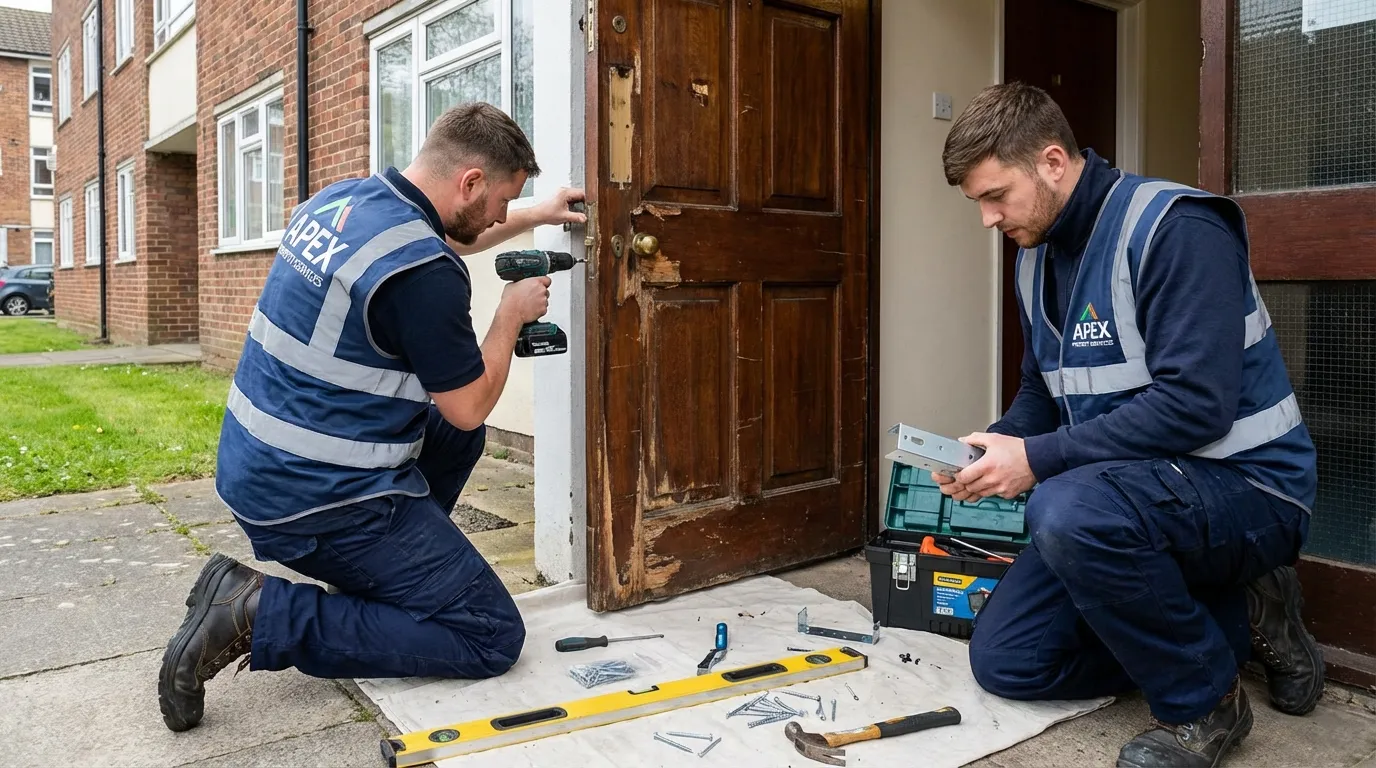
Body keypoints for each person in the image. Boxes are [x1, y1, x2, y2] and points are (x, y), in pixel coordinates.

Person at [158, 102, 585, 732]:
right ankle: (256, 612)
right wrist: (509, 316)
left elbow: (451, 231)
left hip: (261, 466)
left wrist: (539, 211)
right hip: (319, 499)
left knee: (450, 437)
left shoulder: (346, 202)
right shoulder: (426, 275)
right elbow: (468, 405)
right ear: (468, 181)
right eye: (500, 201)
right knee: (489, 634)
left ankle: (390, 582)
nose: (500, 217)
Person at [935, 83, 1324, 768]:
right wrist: (996, 444)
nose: (987, 220)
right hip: (1136, 495)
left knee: (1065, 509)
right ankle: (1227, 629)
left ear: (1052, 161)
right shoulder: (1037, 253)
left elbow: (1195, 406)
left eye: (996, 196)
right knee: (1009, 662)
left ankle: (1206, 701)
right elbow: (1043, 392)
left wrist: (1038, 460)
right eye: (978, 204)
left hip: (1251, 487)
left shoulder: (1177, 229)